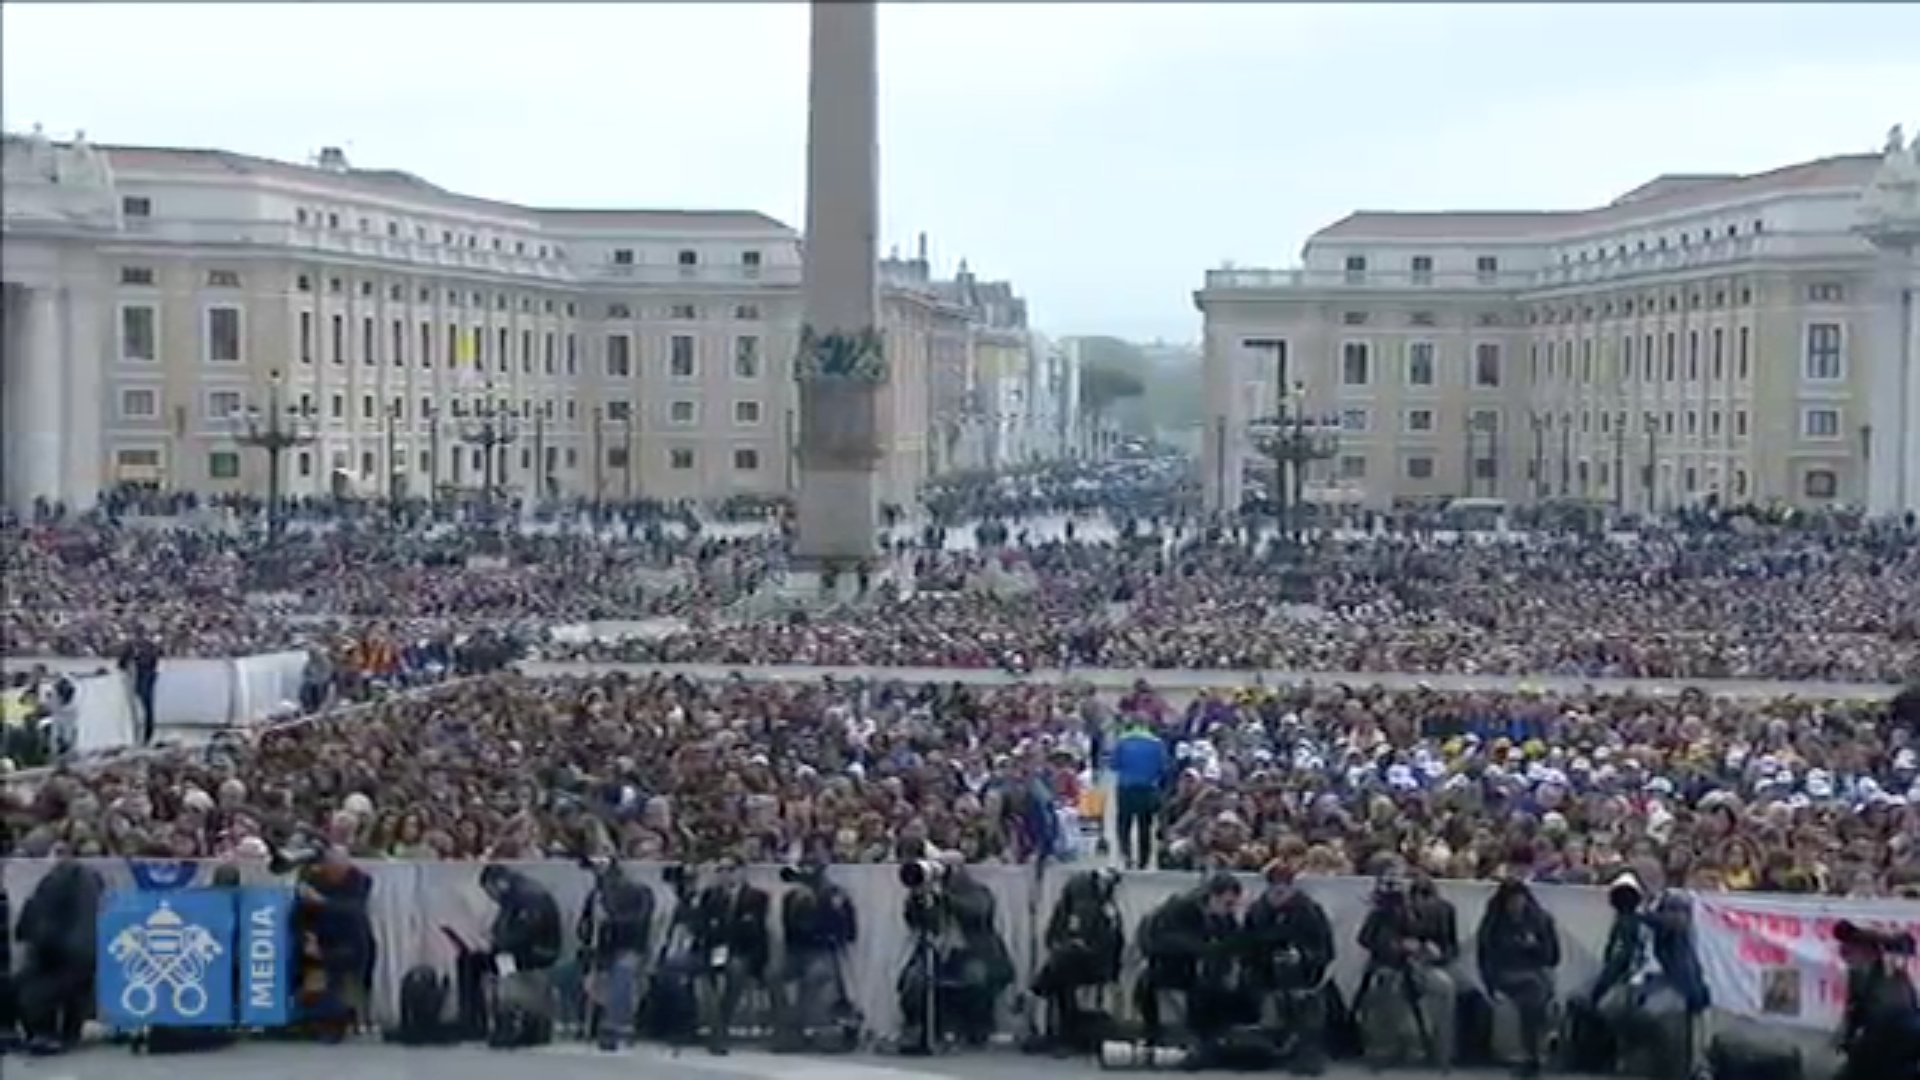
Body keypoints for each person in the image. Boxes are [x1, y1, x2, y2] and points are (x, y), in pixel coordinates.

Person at [1134, 873, 1244, 1051]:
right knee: (1202, 991)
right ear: (1213, 897)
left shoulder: (1222, 917)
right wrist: (1203, 948)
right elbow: (1161, 938)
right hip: (1167, 964)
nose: (1230, 909)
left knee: (1222, 990)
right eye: (1228, 904)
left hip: (1194, 967)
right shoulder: (1180, 909)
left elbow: (1232, 940)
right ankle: (1199, 1039)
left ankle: (1215, 1037)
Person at [1242, 864, 1333, 1075]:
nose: (1278, 896)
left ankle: (1306, 1053)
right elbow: (1248, 946)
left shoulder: (1309, 912)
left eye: (1283, 890)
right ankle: (1269, 1047)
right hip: (1265, 973)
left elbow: (1325, 950)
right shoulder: (1257, 911)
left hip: (1303, 975)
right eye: (1274, 890)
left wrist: (1302, 956)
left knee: (1305, 1001)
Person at [13, 860, 104, 1056]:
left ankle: (44, 1032)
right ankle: (69, 1032)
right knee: (76, 987)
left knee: (39, 988)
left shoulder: (51, 887)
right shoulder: (88, 887)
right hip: (81, 949)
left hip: (55, 947)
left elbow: (26, 923)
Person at [1030, 867, 1124, 1054]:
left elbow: (1112, 943)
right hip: (1070, 963)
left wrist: (1085, 946)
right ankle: (1065, 1034)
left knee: (1063, 966)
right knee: (1065, 968)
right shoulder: (1068, 909)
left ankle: (1040, 989)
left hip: (1096, 963)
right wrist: (1067, 943)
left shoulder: (1107, 911)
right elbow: (1052, 936)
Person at [1476, 877, 1561, 1078]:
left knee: (1535, 991)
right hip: (1505, 973)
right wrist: (1489, 984)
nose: (1515, 905)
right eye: (1511, 901)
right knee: (1536, 989)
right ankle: (1544, 1038)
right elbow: (1486, 956)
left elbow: (1553, 957)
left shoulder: (1541, 920)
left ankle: (1531, 1054)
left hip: (1536, 971)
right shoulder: (1495, 923)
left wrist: (1534, 947)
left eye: (1519, 900)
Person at [773, 859, 859, 1052]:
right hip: (797, 950)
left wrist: (823, 906)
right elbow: (789, 933)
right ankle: (786, 1028)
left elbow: (848, 932)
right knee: (774, 974)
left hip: (824, 949)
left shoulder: (835, 895)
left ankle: (805, 1029)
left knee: (815, 976)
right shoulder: (792, 897)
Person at [688, 856, 770, 1055]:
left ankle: (719, 1030)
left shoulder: (757, 897)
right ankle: (705, 1027)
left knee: (735, 971)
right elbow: (699, 927)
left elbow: (753, 932)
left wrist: (723, 928)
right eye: (721, 870)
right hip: (712, 950)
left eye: (730, 869)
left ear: (742, 872)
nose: (725, 874)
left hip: (742, 951)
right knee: (699, 976)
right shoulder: (710, 896)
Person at [477, 863, 561, 1047]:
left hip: (535, 952)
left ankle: (508, 1017)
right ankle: (511, 1016)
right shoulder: (518, 893)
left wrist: (498, 944)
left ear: (497, 883)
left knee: (503, 965)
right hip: (534, 948)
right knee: (499, 962)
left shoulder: (526, 896)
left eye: (489, 892)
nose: (491, 897)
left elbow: (525, 930)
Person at [577, 857, 655, 1051]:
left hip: (631, 948)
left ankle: (616, 1026)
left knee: (622, 972)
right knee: (574, 971)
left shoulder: (641, 894)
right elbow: (583, 927)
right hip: (603, 950)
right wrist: (589, 929)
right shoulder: (596, 896)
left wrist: (609, 921)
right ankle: (588, 1021)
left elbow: (638, 925)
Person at [1111, 719, 1168, 870]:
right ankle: (1144, 860)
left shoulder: (1122, 741)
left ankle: (1127, 855)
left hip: (1126, 787)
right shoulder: (1157, 743)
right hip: (1147, 788)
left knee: (1124, 824)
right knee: (1145, 825)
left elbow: (1113, 765)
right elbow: (1163, 768)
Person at [118, 631, 162, 746]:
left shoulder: (131, 645)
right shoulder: (150, 645)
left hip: (139, 676)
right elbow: (155, 662)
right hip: (149, 675)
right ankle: (147, 736)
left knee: (137, 707)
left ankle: (138, 735)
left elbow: (121, 664)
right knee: (148, 708)